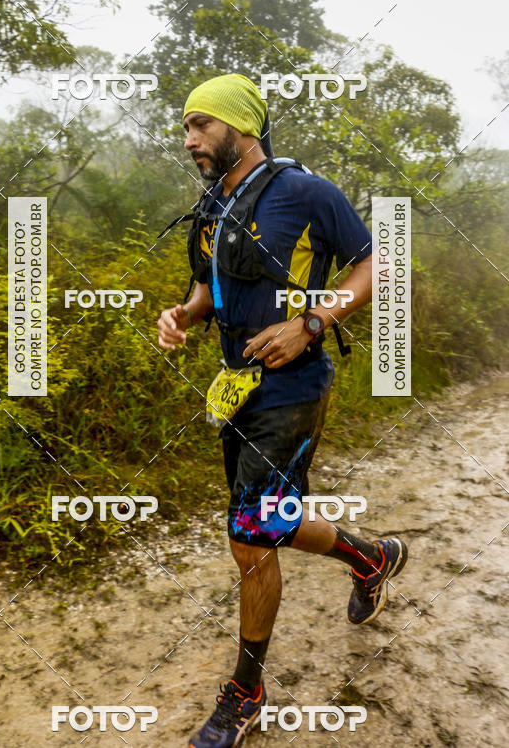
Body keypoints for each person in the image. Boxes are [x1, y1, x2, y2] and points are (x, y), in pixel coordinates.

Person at [156, 74, 408, 748]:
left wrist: (315, 320)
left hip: (294, 388)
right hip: (237, 382)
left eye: (202, 125)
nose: (189, 140)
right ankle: (373, 556)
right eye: (186, 127)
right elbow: (212, 282)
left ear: (243, 126)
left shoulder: (307, 192)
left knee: (249, 535)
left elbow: (374, 266)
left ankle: (247, 692)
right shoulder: (214, 201)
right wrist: (181, 313)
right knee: (269, 518)